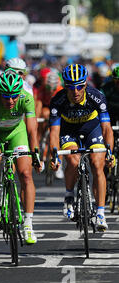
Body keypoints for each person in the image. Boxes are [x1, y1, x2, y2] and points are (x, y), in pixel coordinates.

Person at [0, 68, 42, 245]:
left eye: (14, 96)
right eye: (6, 97)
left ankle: (28, 223)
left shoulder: (26, 98)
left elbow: (31, 130)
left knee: (26, 174)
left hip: (16, 133)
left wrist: (35, 153)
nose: (11, 100)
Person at [49, 63, 114, 232]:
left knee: (97, 165)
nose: (75, 91)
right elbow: (54, 132)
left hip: (92, 129)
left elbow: (107, 128)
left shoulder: (96, 96)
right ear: (65, 86)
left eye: (80, 86)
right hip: (69, 130)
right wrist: (54, 156)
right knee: (72, 160)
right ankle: (69, 195)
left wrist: (110, 152)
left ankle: (100, 212)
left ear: (85, 84)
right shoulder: (58, 100)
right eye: (71, 87)